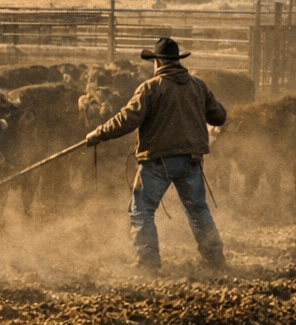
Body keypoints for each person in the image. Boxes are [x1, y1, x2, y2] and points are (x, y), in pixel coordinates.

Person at [83, 37, 227, 272]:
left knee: (141, 210)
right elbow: (219, 117)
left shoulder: (150, 88)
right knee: (198, 210)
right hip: (191, 160)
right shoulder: (198, 86)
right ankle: (215, 260)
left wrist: (99, 134)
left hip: (158, 162)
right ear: (177, 61)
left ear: (157, 62)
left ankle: (148, 262)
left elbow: (127, 120)